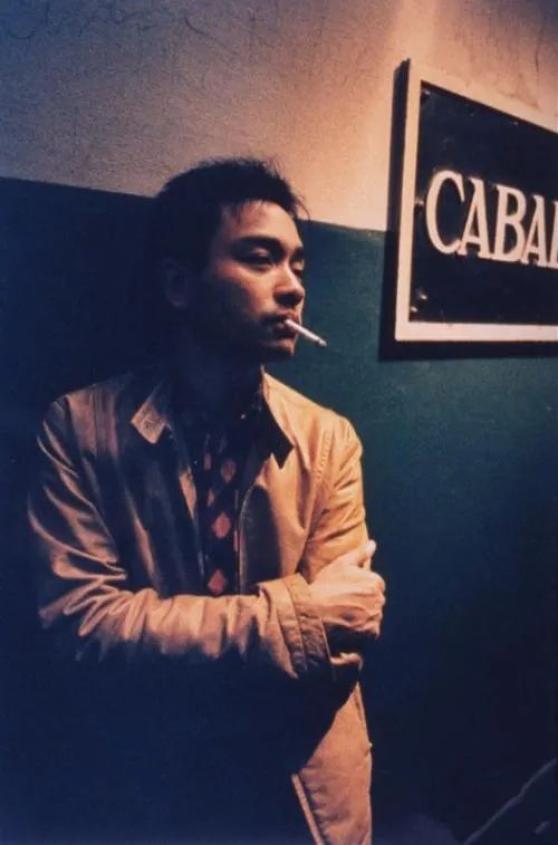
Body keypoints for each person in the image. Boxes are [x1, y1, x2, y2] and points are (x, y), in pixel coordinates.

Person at [28, 158, 386, 844]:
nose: (293, 288)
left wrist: (166, 638)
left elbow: (344, 637)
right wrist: (295, 621)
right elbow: (84, 630)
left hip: (299, 796)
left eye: (299, 265)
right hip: (155, 794)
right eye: (260, 258)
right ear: (179, 284)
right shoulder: (78, 429)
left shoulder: (329, 440)